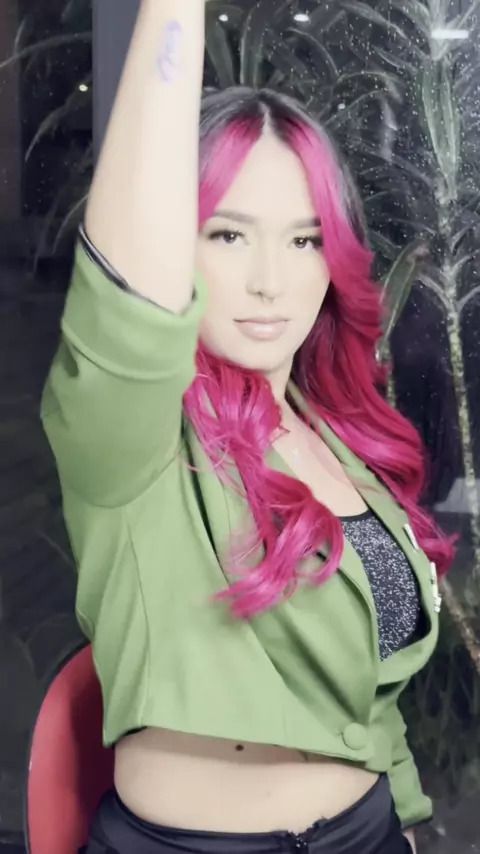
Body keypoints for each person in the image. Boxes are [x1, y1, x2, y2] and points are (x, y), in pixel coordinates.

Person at [41, 1, 454, 853]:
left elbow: (371, 695)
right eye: (228, 234)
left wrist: (407, 822)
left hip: (369, 833)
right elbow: (127, 297)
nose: (273, 280)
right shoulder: (132, 437)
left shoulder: (334, 437)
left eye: (305, 241)